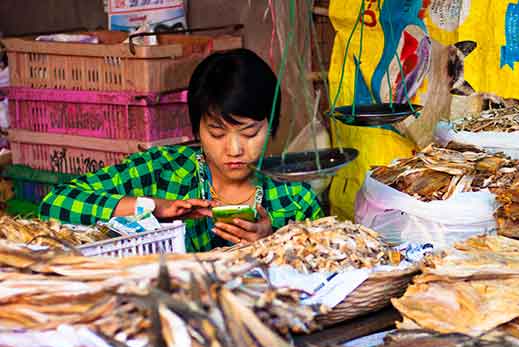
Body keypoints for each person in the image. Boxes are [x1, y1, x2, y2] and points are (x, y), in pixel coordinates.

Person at [39, 49, 323, 252]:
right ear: (196, 130)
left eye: (250, 133)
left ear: (271, 126)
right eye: (217, 133)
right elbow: (55, 204)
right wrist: (152, 208)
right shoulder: (161, 170)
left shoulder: (294, 201)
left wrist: (273, 243)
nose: (235, 149)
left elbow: (329, 264)